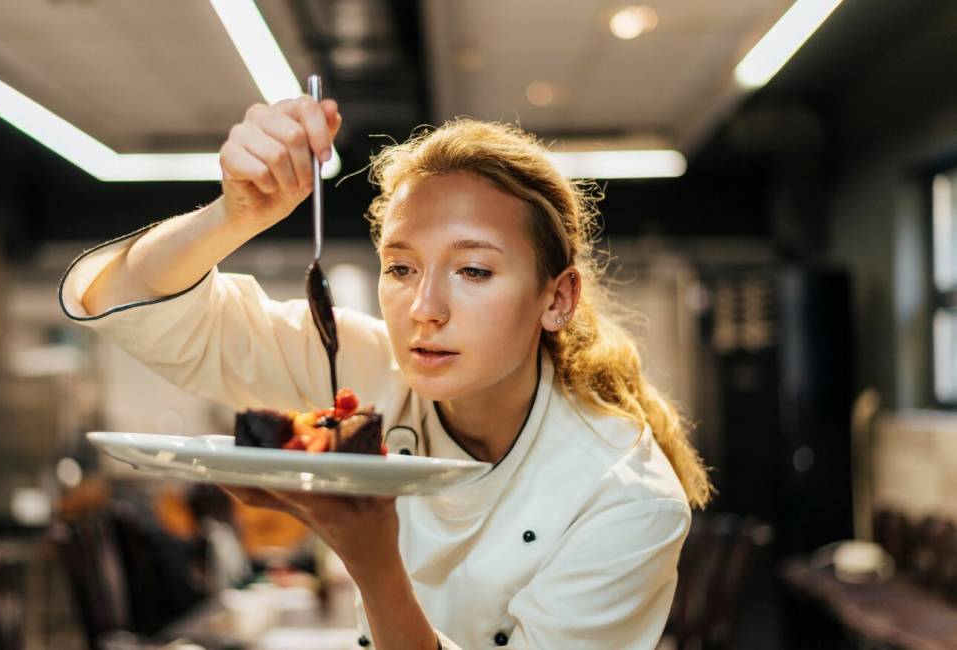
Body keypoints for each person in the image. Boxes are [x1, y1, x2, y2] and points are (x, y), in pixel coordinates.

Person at [59, 95, 711, 649]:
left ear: (557, 298)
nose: (424, 310)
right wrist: (233, 216)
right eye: (401, 268)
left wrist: (373, 563)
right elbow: (119, 301)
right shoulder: (365, 365)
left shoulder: (626, 497)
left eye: (474, 270)